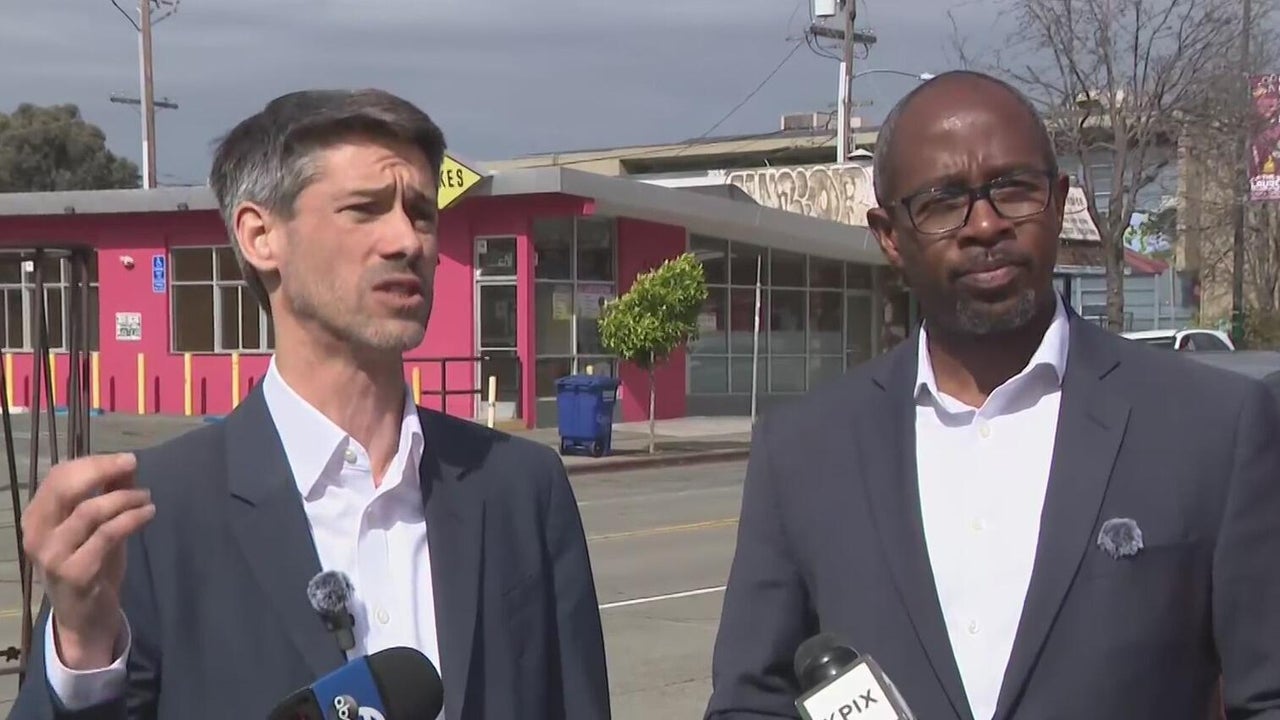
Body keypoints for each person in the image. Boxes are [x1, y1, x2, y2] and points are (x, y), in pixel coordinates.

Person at [12, 88, 610, 720]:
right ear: (260, 235)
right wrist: (83, 649)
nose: (406, 240)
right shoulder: (150, 519)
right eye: (364, 209)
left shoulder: (520, 488)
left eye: (421, 213)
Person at [704, 71, 1280, 720]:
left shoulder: (1214, 426)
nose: (984, 224)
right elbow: (752, 701)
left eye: (1013, 189)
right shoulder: (803, 449)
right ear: (889, 235)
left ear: (1059, 203)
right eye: (942, 201)